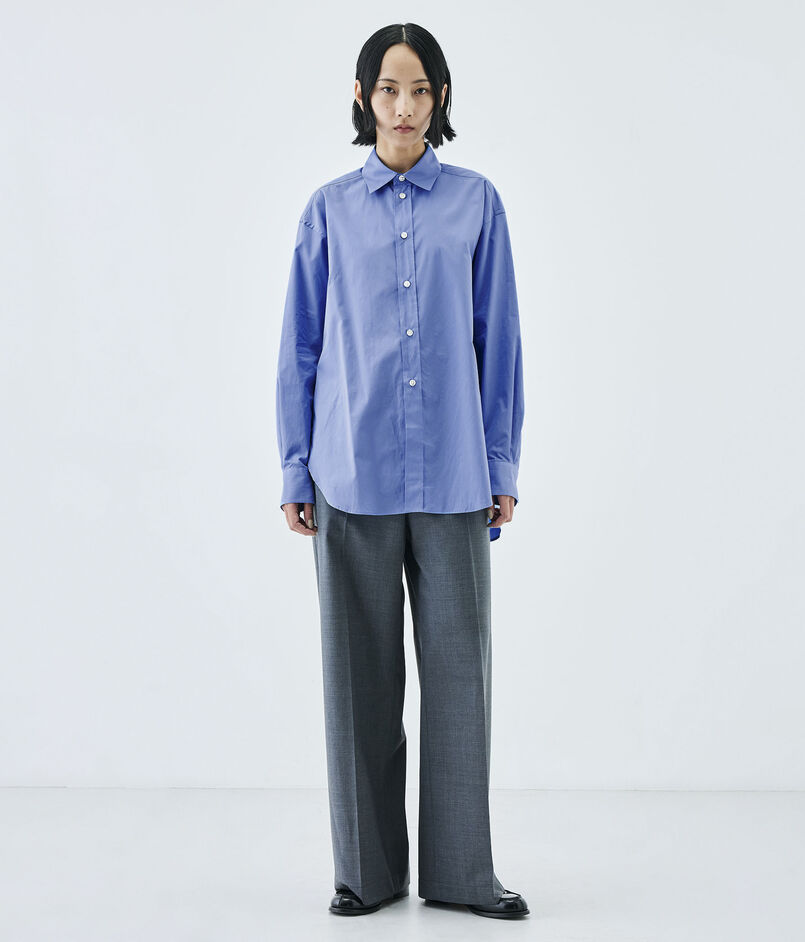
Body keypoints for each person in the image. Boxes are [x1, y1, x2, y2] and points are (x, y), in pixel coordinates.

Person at [275, 23, 527, 920]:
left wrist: (500, 462)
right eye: (388, 89)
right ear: (361, 97)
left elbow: (498, 340)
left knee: (460, 683)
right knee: (359, 685)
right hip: (350, 475)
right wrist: (295, 469)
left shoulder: (477, 204)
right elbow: (301, 347)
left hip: (455, 477)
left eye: (420, 89)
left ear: (440, 98)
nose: (405, 106)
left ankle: (461, 876)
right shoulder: (327, 211)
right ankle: (365, 873)